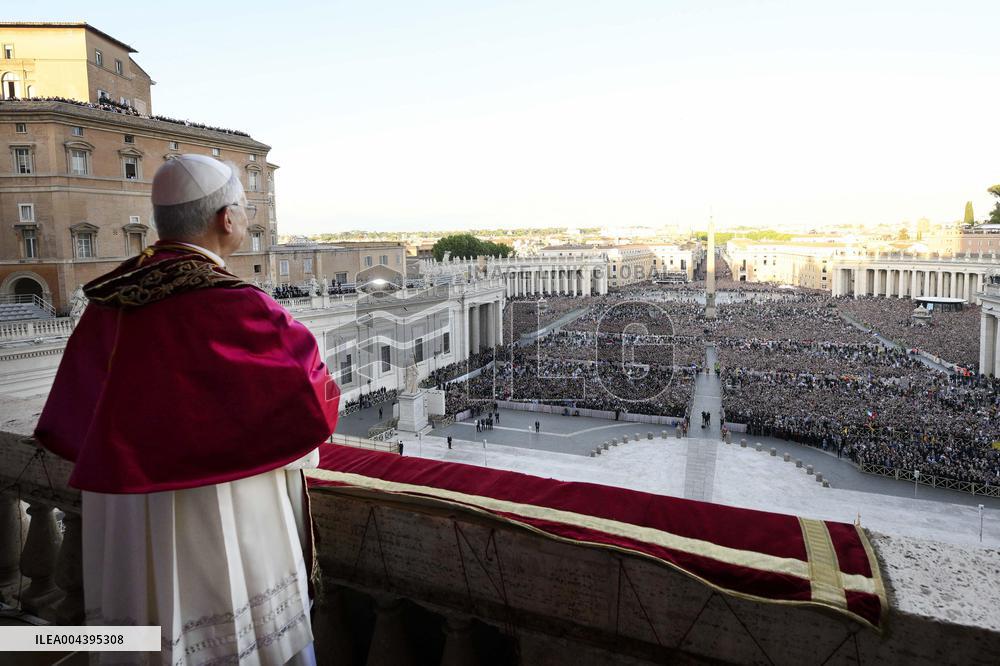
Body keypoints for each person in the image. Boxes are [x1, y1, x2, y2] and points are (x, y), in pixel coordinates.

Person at [33, 155, 339, 666]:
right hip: (223, 501)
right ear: (226, 219)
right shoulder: (238, 303)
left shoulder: (109, 300)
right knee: (234, 618)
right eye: (243, 208)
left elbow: (74, 413)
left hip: (129, 505)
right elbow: (313, 395)